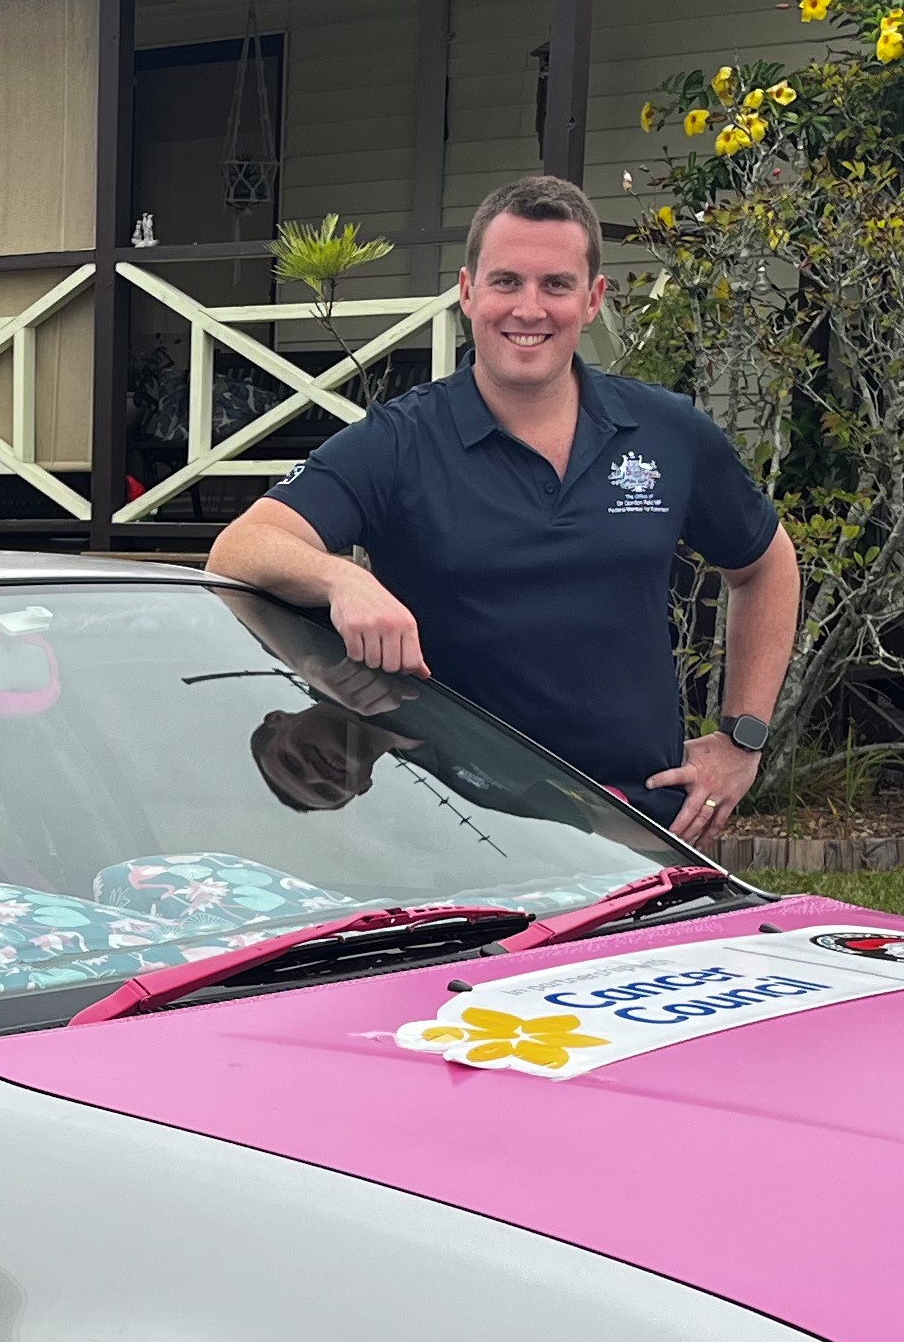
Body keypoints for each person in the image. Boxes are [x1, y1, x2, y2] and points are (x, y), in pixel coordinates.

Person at [206, 173, 802, 846]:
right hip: (462, 837)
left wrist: (742, 739)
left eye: (555, 285)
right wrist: (343, 578)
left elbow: (765, 565)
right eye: (506, 282)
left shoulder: (667, 432)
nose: (529, 309)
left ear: (592, 298)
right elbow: (242, 546)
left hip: (638, 828)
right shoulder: (401, 442)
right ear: (467, 291)